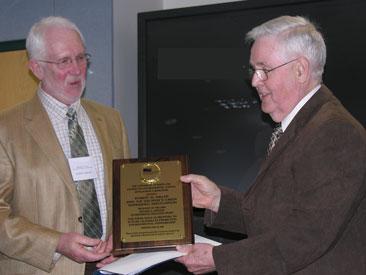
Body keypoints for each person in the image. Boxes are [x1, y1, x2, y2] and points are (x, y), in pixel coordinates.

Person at [175, 15, 366, 274]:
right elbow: (280, 217)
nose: (255, 81)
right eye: (254, 70)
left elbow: (307, 235)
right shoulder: (304, 126)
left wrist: (220, 259)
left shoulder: (334, 132)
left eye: (264, 69)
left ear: (300, 69)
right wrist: (216, 200)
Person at [0, 16, 130, 275]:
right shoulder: (6, 128)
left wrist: (123, 240)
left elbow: (126, 197)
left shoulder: (112, 120)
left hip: (111, 268)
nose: (76, 69)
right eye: (64, 61)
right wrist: (56, 243)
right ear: (36, 69)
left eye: (81, 58)